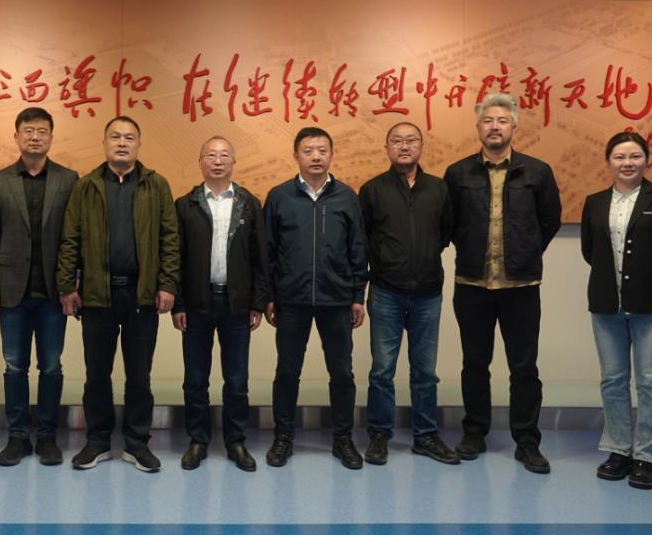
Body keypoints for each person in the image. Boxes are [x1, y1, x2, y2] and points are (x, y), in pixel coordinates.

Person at [444, 92, 561, 474]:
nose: (495, 127)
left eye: (502, 120)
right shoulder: (458, 173)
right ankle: (474, 432)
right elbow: (449, 223)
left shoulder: (537, 172)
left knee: (524, 367)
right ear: (478, 127)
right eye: (488, 121)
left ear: (514, 126)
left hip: (521, 287)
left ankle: (527, 440)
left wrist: (526, 251)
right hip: (472, 283)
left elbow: (549, 221)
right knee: (474, 364)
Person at [57, 116, 180, 473]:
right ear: (104, 143)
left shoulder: (156, 185)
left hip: (141, 295)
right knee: (97, 374)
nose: (122, 143)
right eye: (115, 137)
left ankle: (137, 443)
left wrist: (167, 284)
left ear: (138, 144)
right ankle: (97, 442)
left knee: (139, 375)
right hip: (97, 295)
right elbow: (70, 239)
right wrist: (67, 286)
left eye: (129, 137)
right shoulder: (86, 186)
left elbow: (170, 239)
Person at [581, 132, 652, 490]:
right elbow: (589, 250)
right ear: (608, 162)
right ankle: (618, 450)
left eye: (634, 156)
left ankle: (646, 456)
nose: (627, 163)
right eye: (619, 157)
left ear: (646, 160)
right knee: (613, 380)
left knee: (650, 382)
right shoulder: (594, 202)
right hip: (606, 304)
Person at [263, 127, 368, 470]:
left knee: (342, 374)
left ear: (331, 154)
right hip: (291, 300)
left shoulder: (347, 197)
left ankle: (343, 440)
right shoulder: (279, 196)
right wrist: (269, 296)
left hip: (336, 300)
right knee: (286, 372)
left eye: (322, 150)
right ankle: (283, 438)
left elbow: (358, 249)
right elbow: (268, 251)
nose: (316, 157)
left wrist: (357, 295)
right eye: (308, 151)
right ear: (296, 156)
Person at [0, 108, 78, 467]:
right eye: (28, 131)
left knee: (51, 366)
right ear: (17, 136)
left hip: (54, 293)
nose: (35, 137)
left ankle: (48, 436)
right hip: (12, 292)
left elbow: (75, 237)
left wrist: (73, 285)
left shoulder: (68, 179)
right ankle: (18, 437)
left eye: (41, 131)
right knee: (14, 367)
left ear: (51, 137)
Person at [359, 122, 458, 466]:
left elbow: (445, 233)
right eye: (397, 141)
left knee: (425, 371)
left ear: (421, 146)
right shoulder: (372, 190)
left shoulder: (438, 188)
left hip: (428, 293)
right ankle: (379, 435)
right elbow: (364, 239)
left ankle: (425, 436)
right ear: (387, 148)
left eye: (411, 140)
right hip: (386, 291)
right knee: (382, 370)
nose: (404, 146)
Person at [172, 137, 269, 472]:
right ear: (200, 162)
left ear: (233, 163)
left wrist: (257, 302)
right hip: (196, 304)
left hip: (236, 304)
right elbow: (175, 258)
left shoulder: (248, 204)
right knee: (195, 379)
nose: (217, 161)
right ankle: (197, 441)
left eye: (224, 155)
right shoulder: (186, 205)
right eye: (211, 155)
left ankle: (236, 441)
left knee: (237, 379)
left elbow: (260, 257)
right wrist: (178, 304)